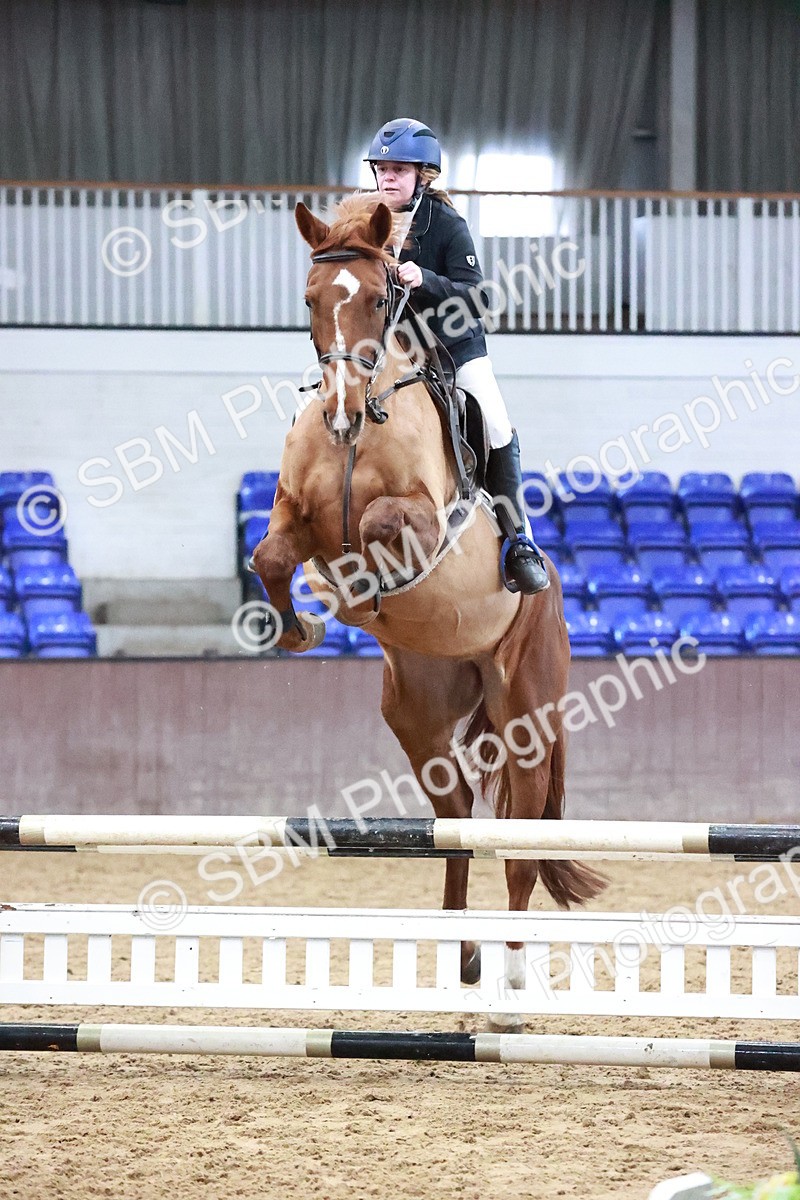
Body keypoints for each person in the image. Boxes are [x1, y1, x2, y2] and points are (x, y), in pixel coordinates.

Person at [365, 117, 549, 596]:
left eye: (399, 170)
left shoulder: (446, 224)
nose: (388, 178)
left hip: (452, 351)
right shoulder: (365, 220)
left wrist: (425, 280)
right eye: (382, 169)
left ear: (422, 175)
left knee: (496, 424)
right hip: (394, 353)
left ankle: (519, 541)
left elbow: (477, 297)